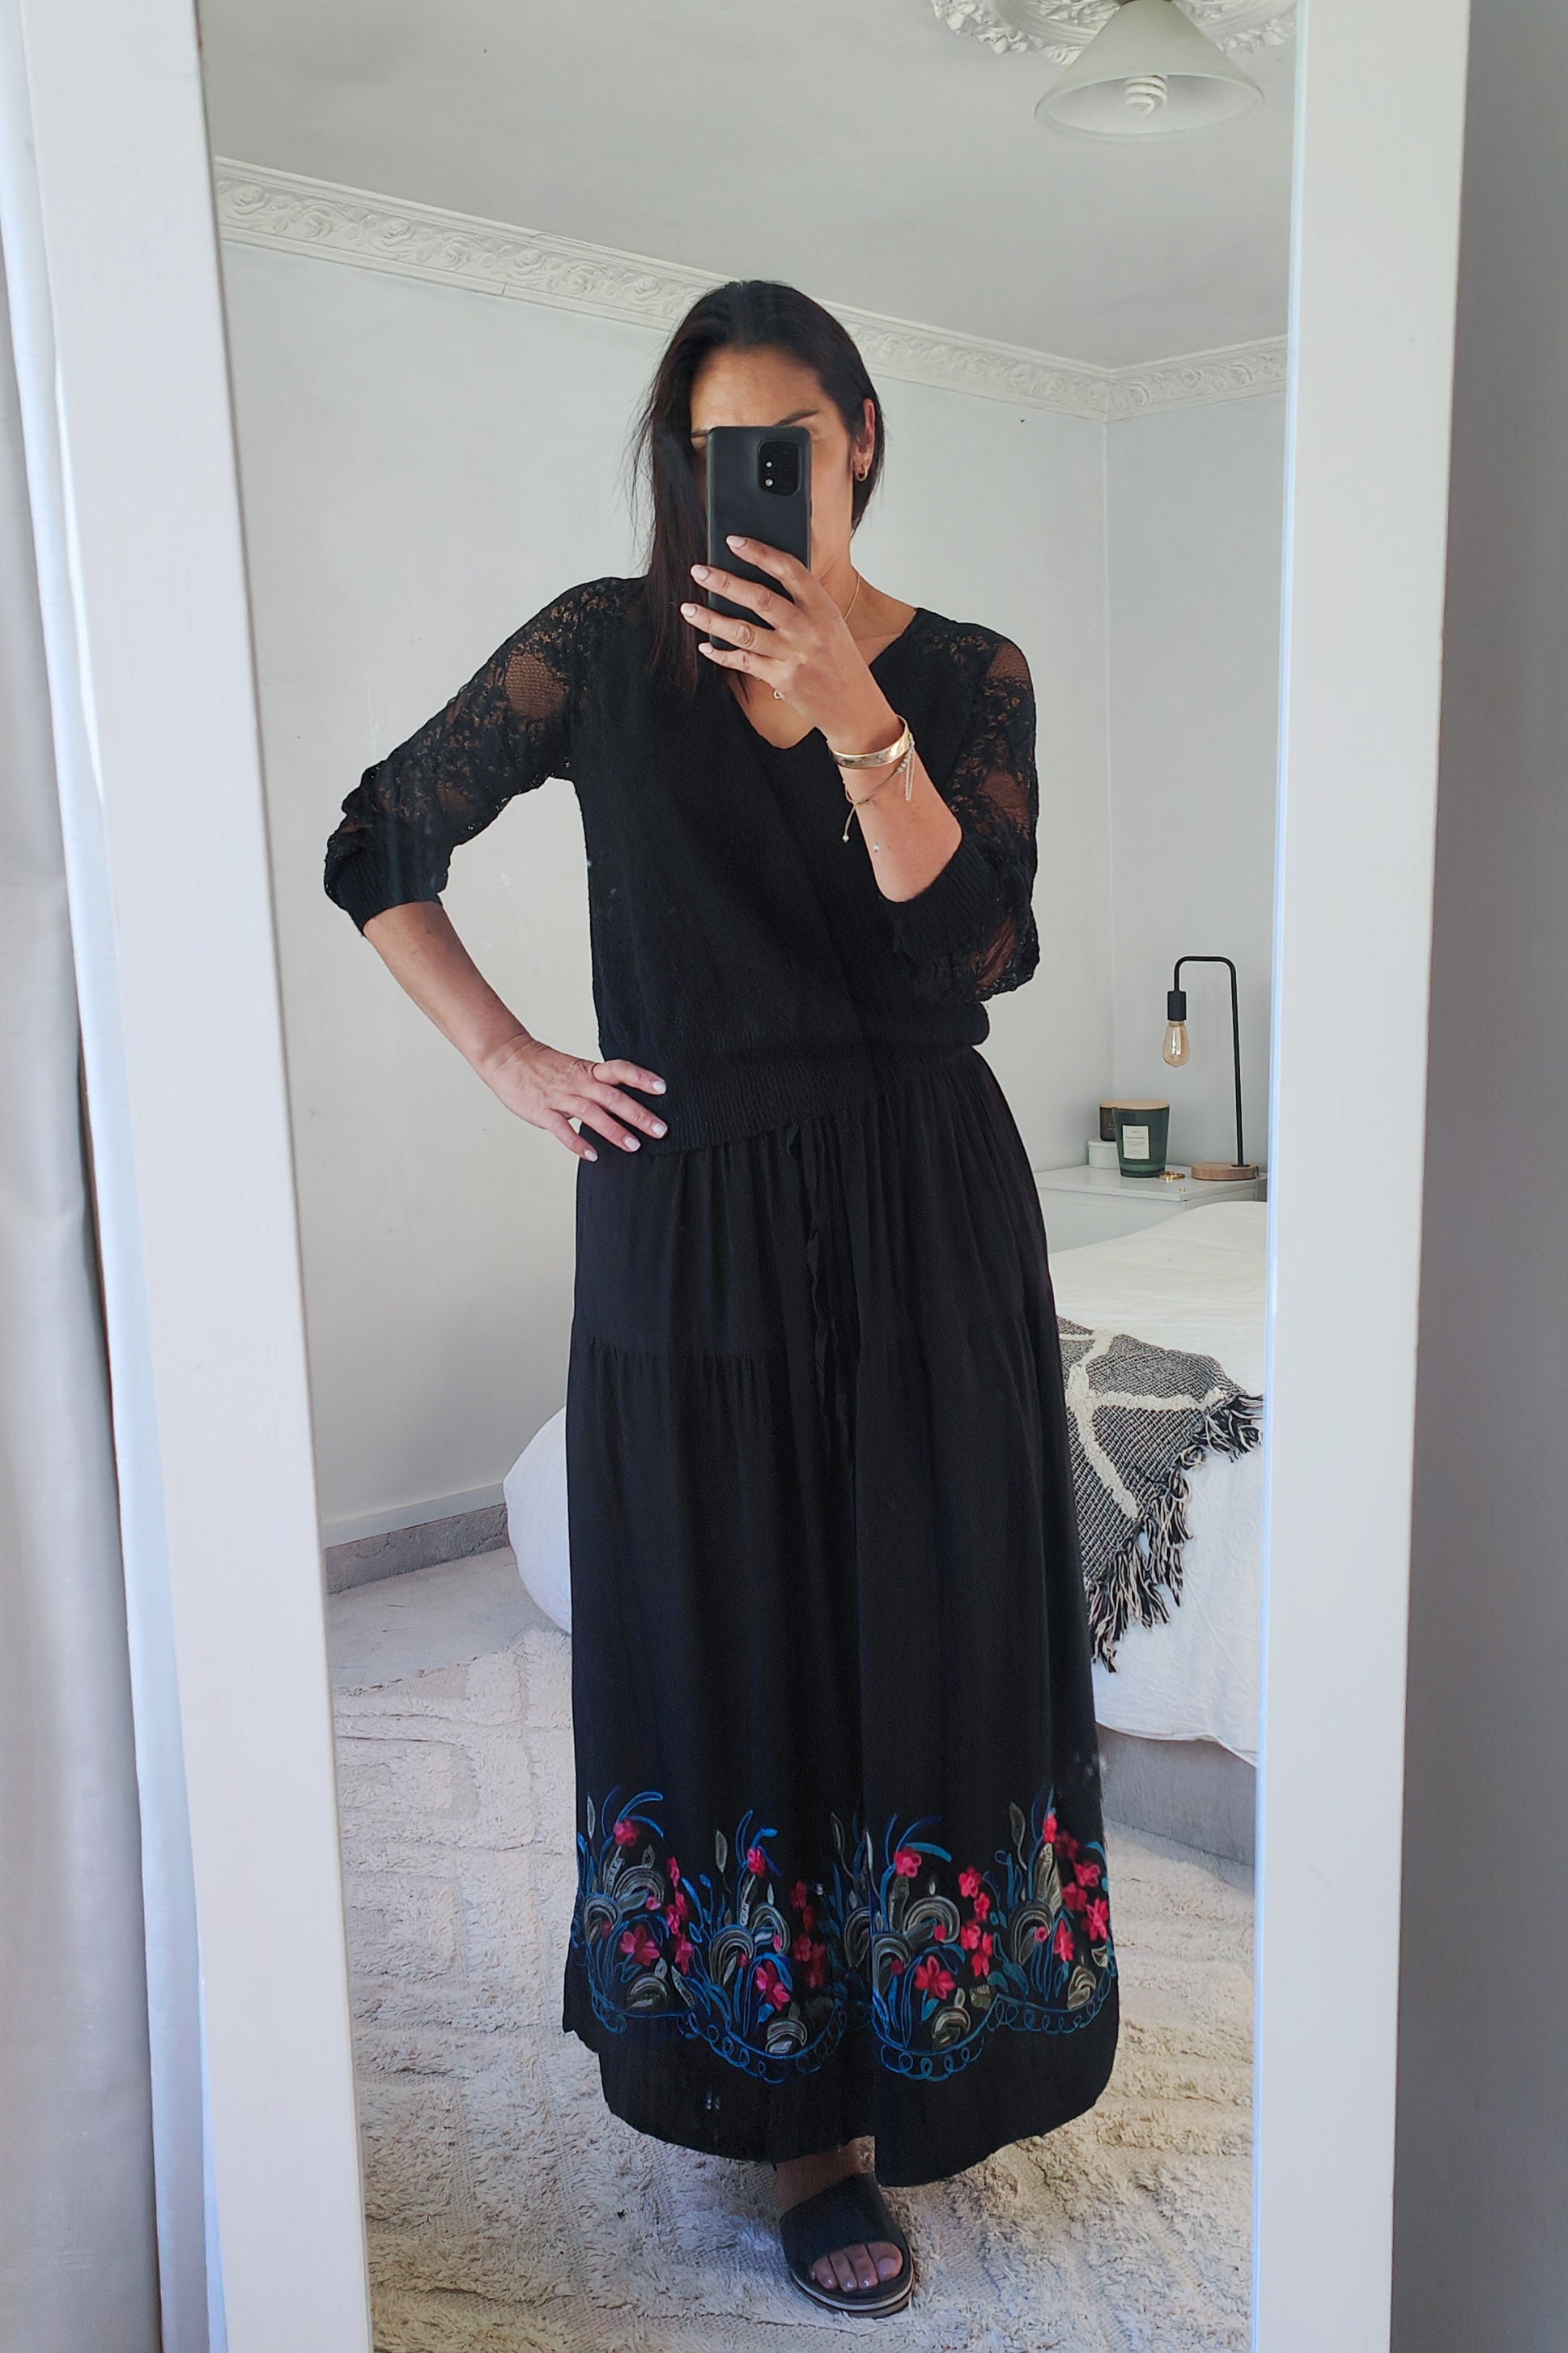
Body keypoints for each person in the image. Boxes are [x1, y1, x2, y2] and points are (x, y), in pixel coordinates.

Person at [324, 279, 1117, 2318]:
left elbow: (982, 951)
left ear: (861, 443)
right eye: (708, 455)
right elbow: (375, 840)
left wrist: (859, 712)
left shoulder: (969, 673)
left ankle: (937, 2050)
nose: (742, 487)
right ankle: (796, 2127)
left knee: (931, 1620)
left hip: (928, 1207)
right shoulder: (602, 650)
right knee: (728, 1626)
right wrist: (513, 1059)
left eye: (783, 448)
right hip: (689, 1217)